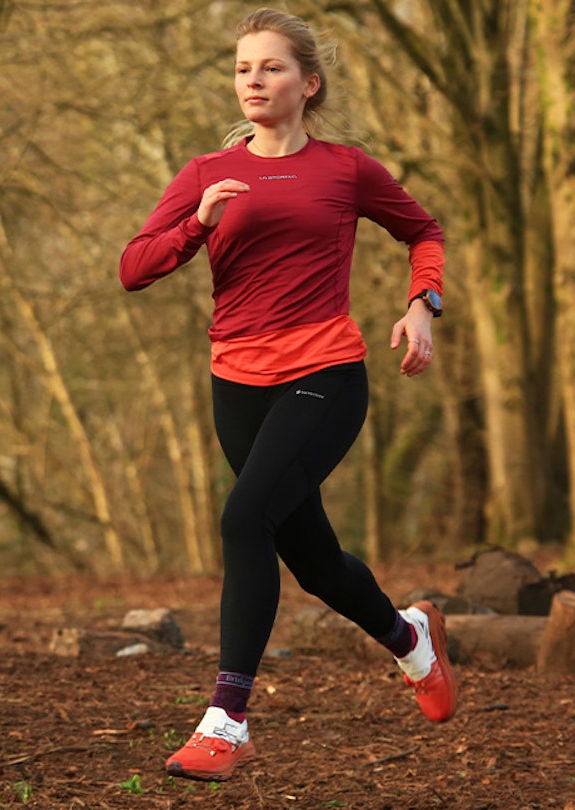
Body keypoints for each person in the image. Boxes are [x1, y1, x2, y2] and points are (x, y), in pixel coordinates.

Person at [117, 7, 459, 782]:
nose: (253, 81)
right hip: (236, 381)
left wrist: (421, 305)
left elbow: (423, 230)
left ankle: (225, 721)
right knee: (311, 559)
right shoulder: (204, 173)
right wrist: (195, 228)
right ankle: (410, 639)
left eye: (270, 68)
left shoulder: (346, 169)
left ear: (308, 83)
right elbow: (133, 267)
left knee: (244, 520)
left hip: (325, 373)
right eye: (242, 69)